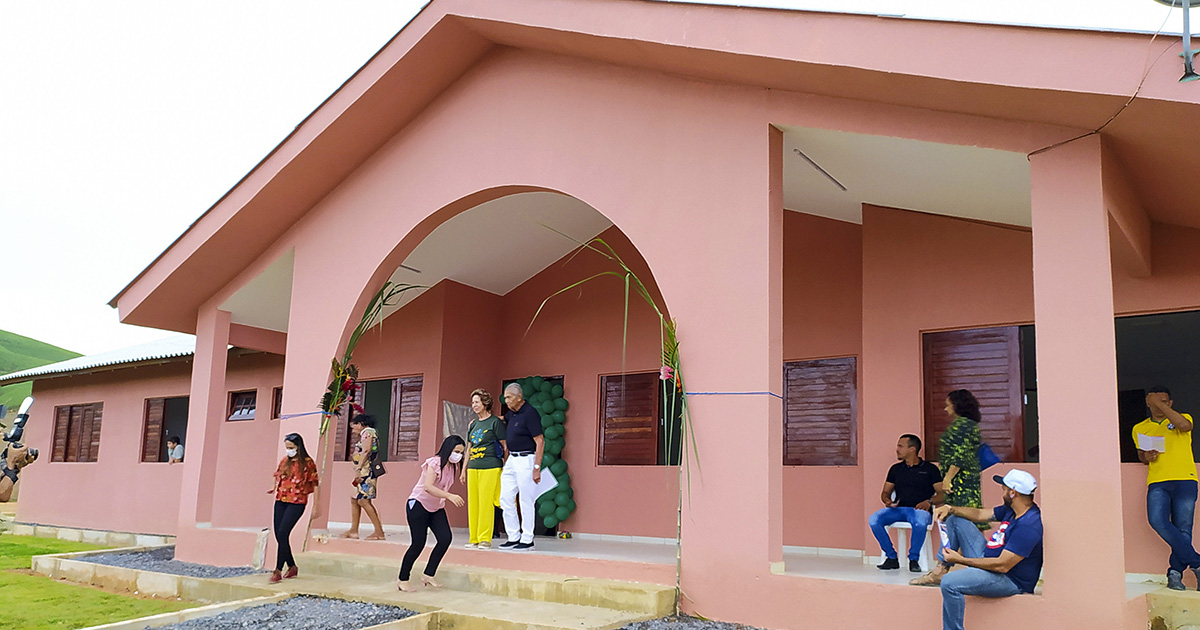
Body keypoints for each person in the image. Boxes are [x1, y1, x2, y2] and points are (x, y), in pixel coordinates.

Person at [928, 470, 1043, 630]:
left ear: (1013, 492)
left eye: (1004, 488)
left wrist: (959, 559)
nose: (1001, 492)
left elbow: (1002, 565)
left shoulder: (1029, 525)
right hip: (987, 560)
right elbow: (981, 514)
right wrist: (950, 508)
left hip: (1008, 579)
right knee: (955, 520)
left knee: (950, 583)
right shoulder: (1012, 510)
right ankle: (942, 569)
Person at [1133, 386, 1200, 590]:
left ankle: (1174, 574)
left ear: (1170, 403)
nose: (1160, 405)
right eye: (1155, 401)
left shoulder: (1182, 418)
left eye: (1165, 401)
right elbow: (1140, 455)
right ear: (1147, 402)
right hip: (1158, 481)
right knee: (1157, 521)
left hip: (1185, 478)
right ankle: (1196, 562)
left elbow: (1184, 426)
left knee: (1183, 528)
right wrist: (1147, 456)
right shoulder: (1140, 427)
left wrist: (1160, 404)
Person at [913, 389, 983, 585]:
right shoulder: (967, 425)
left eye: (948, 404)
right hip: (960, 485)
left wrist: (948, 478)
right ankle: (945, 568)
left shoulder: (965, 425)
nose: (945, 408)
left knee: (963, 521)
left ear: (957, 404)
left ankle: (966, 568)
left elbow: (960, 455)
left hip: (960, 486)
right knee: (956, 523)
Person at [398, 435, 466, 591]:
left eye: (461, 452)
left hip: (436, 507)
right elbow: (428, 486)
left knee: (445, 538)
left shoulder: (453, 466)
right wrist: (449, 496)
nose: (458, 455)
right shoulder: (434, 463)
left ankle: (429, 574)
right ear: (448, 449)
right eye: (456, 451)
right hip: (419, 505)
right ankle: (402, 579)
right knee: (418, 543)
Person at [869, 434, 944, 572]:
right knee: (874, 520)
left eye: (900, 446)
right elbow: (885, 492)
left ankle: (913, 559)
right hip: (898, 509)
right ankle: (891, 557)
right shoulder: (895, 469)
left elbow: (942, 494)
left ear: (912, 449)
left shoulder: (930, 469)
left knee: (920, 522)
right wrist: (887, 501)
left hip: (919, 510)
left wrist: (929, 501)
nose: (897, 449)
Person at [498, 382, 544, 550]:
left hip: (527, 459)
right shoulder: (512, 413)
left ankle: (527, 538)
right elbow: (503, 419)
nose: (506, 400)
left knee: (526, 499)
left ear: (519, 397)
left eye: (509, 397)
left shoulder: (530, 413)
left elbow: (540, 441)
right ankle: (513, 536)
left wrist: (536, 468)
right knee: (505, 498)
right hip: (512, 460)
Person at [268, 433, 319, 583]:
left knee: (284, 532)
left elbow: (315, 483)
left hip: (297, 502)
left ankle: (277, 570)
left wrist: (316, 505)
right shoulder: (285, 461)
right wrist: (273, 486)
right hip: (281, 500)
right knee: (279, 535)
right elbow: (277, 474)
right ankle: (291, 566)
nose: (289, 450)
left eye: (291, 447)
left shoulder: (308, 463)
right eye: (287, 447)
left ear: (298, 447)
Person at [462, 388, 506, 549]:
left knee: (486, 503)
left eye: (477, 402)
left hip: (491, 466)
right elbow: (469, 448)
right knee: (473, 503)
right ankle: (474, 538)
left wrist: (505, 466)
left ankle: (485, 538)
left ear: (485, 403)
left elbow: (504, 446)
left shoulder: (495, 422)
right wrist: (463, 469)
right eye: (473, 402)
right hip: (473, 466)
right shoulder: (473, 424)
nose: (474, 405)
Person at [339, 414, 386, 541]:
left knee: (364, 500)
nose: (353, 431)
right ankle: (353, 530)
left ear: (360, 424)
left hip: (366, 472)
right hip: (363, 471)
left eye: (354, 427)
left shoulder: (368, 432)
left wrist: (358, 469)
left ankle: (379, 531)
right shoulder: (368, 433)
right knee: (354, 498)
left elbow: (366, 450)